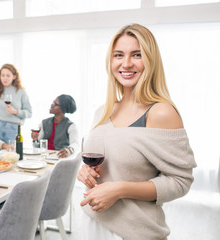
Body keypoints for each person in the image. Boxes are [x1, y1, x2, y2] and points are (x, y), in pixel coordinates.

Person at [77, 24, 196, 240]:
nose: (126, 63)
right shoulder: (102, 112)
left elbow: (180, 181)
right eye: (119, 55)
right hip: (91, 224)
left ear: (150, 60)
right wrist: (86, 171)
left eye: (137, 55)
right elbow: (104, 162)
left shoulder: (160, 113)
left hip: (134, 233)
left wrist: (120, 189)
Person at [0, 64, 32, 143]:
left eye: (8, 75)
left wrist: (16, 111)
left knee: (12, 153)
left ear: (14, 77)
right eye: (2, 75)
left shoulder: (21, 92)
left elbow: (29, 113)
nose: (5, 78)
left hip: (13, 127)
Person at [31, 94, 79, 158]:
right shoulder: (44, 122)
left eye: (55, 104)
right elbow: (37, 147)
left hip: (60, 159)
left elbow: (75, 144)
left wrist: (69, 150)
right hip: (44, 157)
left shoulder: (71, 126)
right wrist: (35, 139)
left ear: (62, 108)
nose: (51, 105)